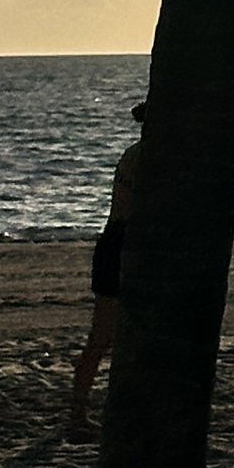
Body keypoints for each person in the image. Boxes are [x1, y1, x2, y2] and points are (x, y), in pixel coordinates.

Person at [66, 101, 145, 441]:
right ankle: (78, 412)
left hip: (121, 242)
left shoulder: (138, 153)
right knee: (104, 334)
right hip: (121, 244)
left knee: (110, 335)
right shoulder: (145, 157)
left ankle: (83, 410)